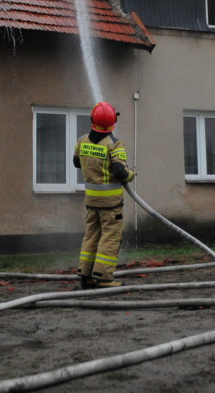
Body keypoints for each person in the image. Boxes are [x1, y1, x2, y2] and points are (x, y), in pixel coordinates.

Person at [74, 101, 135, 289]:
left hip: (91, 201)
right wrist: (131, 174)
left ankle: (86, 275)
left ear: (92, 119)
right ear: (113, 122)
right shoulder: (114, 144)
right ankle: (104, 277)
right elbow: (120, 171)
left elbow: (77, 163)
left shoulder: (82, 141)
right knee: (110, 237)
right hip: (111, 204)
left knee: (91, 235)